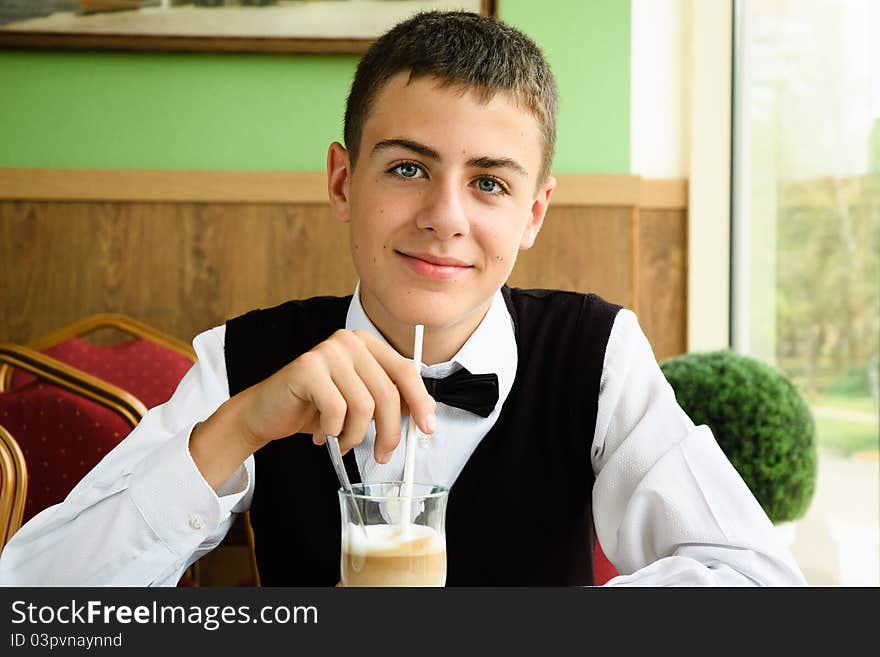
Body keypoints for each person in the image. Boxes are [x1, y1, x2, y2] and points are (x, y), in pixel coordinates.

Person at [0, 11, 805, 586]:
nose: (444, 218)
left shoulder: (596, 354)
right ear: (343, 181)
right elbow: (38, 606)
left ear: (533, 213)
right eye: (408, 168)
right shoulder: (243, 362)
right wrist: (238, 427)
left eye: (488, 182)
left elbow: (757, 578)